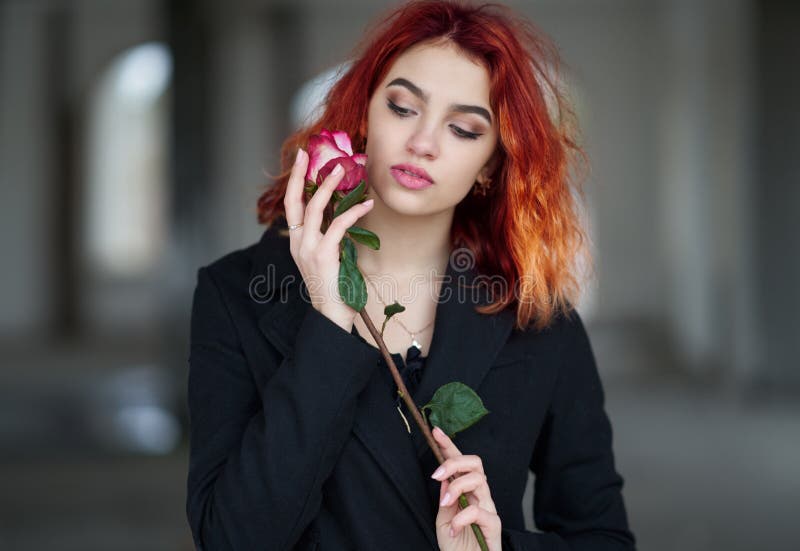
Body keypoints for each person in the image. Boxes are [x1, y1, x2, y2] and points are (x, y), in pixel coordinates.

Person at [185, 1, 636, 549]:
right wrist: (329, 322)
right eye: (402, 107)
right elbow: (231, 538)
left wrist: (499, 548)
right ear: (365, 114)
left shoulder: (537, 318)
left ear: (491, 166)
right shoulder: (236, 295)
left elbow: (603, 537)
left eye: (464, 129)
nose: (423, 142)